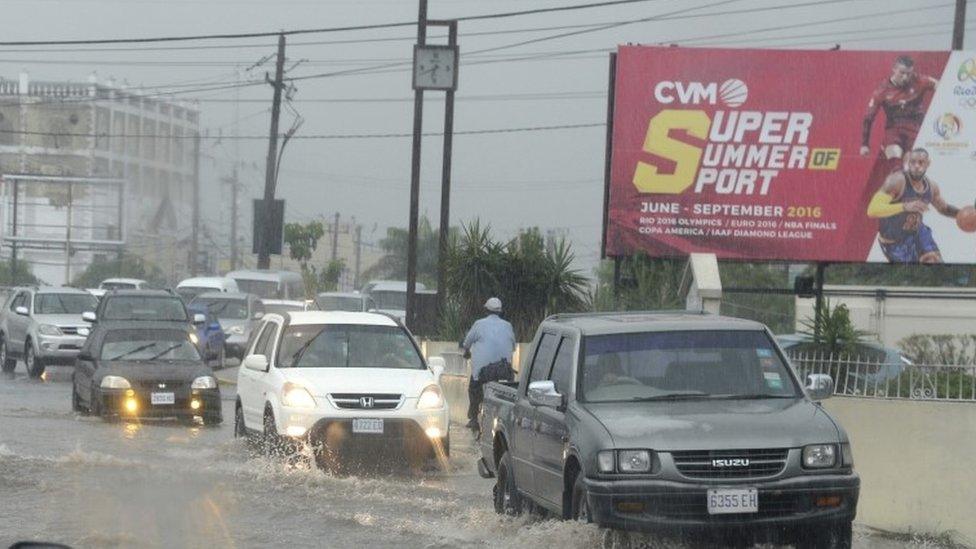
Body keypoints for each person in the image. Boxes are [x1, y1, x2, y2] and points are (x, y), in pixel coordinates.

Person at [866, 148, 960, 263]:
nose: (916, 166)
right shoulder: (897, 181)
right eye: (913, 162)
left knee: (935, 263)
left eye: (921, 162)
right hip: (894, 242)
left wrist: (962, 214)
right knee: (919, 277)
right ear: (908, 162)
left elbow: (944, 209)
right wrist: (904, 206)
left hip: (918, 232)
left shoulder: (931, 186)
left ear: (928, 164)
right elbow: (872, 210)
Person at [860, 56, 939, 174]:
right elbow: (868, 118)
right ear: (894, 69)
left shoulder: (919, 80)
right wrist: (864, 144)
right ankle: (897, 175)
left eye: (909, 74)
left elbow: (939, 85)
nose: (905, 77)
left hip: (915, 128)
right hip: (894, 128)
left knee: (909, 168)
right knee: (895, 159)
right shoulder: (882, 91)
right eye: (902, 73)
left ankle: (907, 184)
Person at [461, 297, 516, 431]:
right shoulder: (508, 326)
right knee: (509, 392)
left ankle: (474, 419)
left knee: (474, 389)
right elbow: (513, 346)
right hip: (504, 370)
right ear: (500, 312)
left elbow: (467, 343)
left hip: (483, 372)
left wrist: (467, 351)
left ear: (486, 310)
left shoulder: (479, 324)